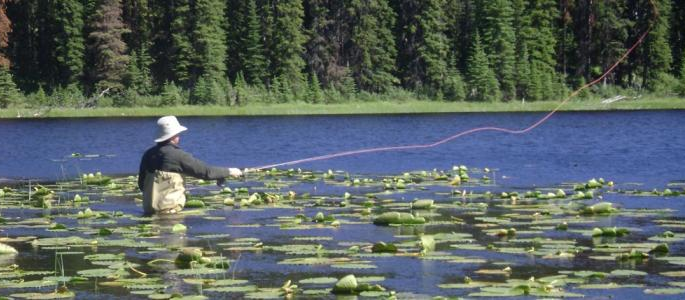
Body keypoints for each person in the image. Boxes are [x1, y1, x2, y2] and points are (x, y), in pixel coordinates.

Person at [138, 116, 242, 214]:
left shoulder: (148, 154)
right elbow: (206, 173)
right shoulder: (178, 155)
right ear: (174, 136)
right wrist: (230, 171)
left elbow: (142, 185)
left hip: (148, 210)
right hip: (169, 212)